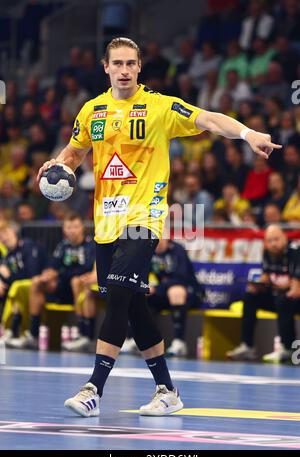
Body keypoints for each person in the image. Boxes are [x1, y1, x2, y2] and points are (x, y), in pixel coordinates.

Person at [37, 37, 281, 418]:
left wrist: (249, 134)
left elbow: (208, 118)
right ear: (105, 67)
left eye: (131, 63)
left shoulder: (159, 107)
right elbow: (76, 150)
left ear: (139, 67)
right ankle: (168, 390)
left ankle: (93, 389)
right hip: (105, 220)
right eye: (117, 63)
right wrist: (59, 162)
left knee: (118, 293)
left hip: (144, 218)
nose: (124, 70)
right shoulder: (91, 110)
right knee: (133, 306)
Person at [7, 212, 95, 349]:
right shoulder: (63, 246)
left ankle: (83, 335)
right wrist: (48, 274)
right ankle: (33, 334)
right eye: (68, 227)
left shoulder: (90, 245)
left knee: (76, 281)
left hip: (81, 287)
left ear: (82, 228)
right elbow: (53, 265)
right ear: (64, 230)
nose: (72, 231)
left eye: (75, 227)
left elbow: (87, 269)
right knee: (36, 282)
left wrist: (60, 273)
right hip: (62, 286)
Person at [227, 225, 300, 363]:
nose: (273, 244)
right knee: (250, 297)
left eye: (276, 239)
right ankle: (247, 346)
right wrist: (258, 286)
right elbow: (266, 278)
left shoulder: (296, 252)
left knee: (284, 300)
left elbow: (296, 289)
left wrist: (281, 288)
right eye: (270, 241)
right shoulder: (267, 253)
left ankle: (288, 348)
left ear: (284, 238)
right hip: (280, 294)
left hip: (294, 297)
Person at [0, 219, 45, 342]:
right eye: (1, 235)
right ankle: (10, 330)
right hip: (17, 288)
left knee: (17, 287)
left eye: (6, 233)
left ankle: (10, 329)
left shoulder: (28, 246)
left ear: (14, 232)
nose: (3, 238)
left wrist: (8, 277)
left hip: (38, 287)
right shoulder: (7, 256)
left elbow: (32, 274)